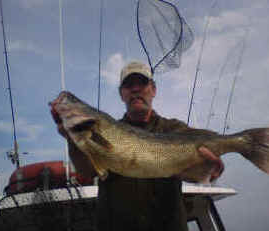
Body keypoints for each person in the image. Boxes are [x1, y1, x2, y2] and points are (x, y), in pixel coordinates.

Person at [53, 61, 224, 231]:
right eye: (128, 85)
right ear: (122, 94)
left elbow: (196, 172)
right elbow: (87, 172)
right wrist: (71, 139)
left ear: (153, 90)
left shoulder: (174, 129)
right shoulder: (103, 130)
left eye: (142, 83)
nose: (135, 89)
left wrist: (210, 170)